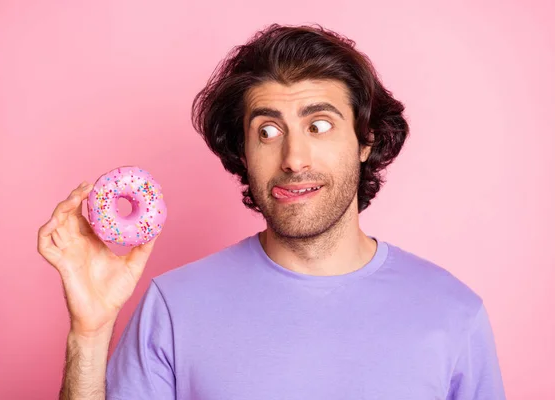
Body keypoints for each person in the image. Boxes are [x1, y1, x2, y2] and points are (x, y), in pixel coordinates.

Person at [38, 23, 506, 400]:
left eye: (319, 125)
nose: (294, 158)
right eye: (267, 131)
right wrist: (90, 332)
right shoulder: (173, 307)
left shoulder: (453, 314)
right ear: (242, 151)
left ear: (366, 141)